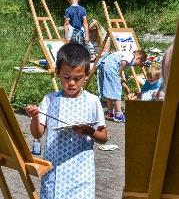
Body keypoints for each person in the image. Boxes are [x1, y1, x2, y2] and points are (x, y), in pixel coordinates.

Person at [25, 43, 107, 199]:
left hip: (81, 173)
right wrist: (35, 116)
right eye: (66, 77)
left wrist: (89, 131)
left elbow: (103, 137)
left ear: (87, 75)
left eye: (77, 78)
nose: (71, 83)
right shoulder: (50, 100)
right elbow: (38, 133)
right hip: (54, 171)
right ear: (58, 73)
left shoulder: (92, 101)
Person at [97, 50, 147, 122]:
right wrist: (119, 71)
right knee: (117, 90)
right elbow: (123, 62)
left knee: (108, 89)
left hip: (105, 65)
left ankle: (110, 112)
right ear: (138, 57)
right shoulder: (131, 55)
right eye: (140, 63)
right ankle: (118, 114)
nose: (138, 65)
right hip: (111, 67)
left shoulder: (124, 53)